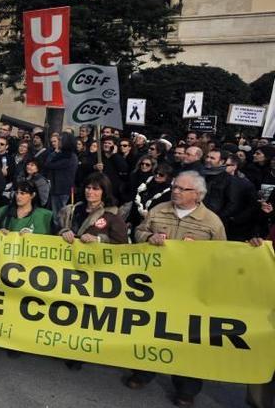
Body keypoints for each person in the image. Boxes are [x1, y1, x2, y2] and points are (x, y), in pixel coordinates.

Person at [130, 170, 260, 407]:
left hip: (191, 293)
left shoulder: (211, 223)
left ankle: (186, 389)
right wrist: (148, 237)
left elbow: (222, 257)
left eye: (182, 189)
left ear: (198, 195)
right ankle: (143, 373)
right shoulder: (159, 210)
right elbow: (138, 232)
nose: (175, 191)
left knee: (188, 340)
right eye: (175, 187)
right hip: (156, 286)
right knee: (151, 330)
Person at [57, 172, 129, 371]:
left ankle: (78, 352)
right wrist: (63, 231)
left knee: (84, 313)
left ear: (104, 192)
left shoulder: (111, 215)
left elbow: (123, 244)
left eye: (96, 188)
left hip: (93, 272)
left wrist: (99, 240)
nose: (90, 192)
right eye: (88, 187)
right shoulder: (73, 209)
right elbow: (57, 228)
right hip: (67, 267)